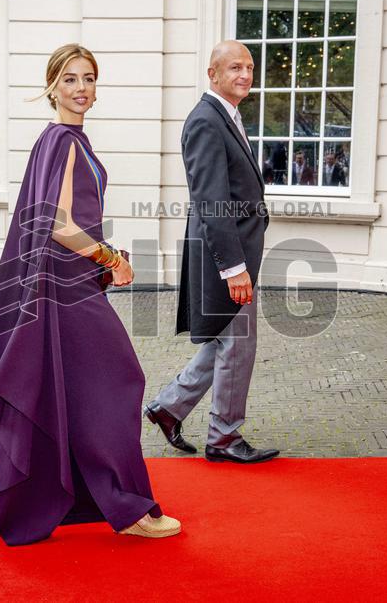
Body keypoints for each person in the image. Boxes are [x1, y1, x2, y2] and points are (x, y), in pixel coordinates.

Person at [0, 43, 180, 545]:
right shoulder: (62, 141)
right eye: (70, 78)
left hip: (62, 283)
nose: (81, 88)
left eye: (89, 78)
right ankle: (131, 506)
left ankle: (6, 506)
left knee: (52, 391)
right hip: (65, 288)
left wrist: (101, 253)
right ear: (52, 85)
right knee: (119, 382)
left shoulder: (59, 140)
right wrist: (109, 259)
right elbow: (56, 224)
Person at [144, 40, 279, 464]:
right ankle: (223, 437)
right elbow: (211, 199)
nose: (244, 75)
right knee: (237, 344)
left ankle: (169, 408)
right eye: (234, 67)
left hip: (232, 252)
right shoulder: (206, 120)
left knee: (226, 342)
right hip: (226, 256)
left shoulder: (227, 116)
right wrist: (234, 268)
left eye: (250, 67)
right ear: (213, 74)